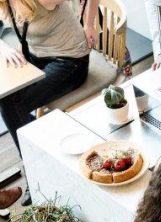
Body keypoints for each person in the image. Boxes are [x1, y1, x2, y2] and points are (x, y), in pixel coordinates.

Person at [0, 0, 98, 208]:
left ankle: (39, 170)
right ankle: (43, 164)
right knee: (7, 100)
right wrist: (4, 48)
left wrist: (89, 24)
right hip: (37, 56)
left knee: (11, 105)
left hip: (69, 60)